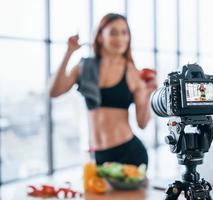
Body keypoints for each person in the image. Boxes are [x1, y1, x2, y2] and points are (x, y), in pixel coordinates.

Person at [49, 13, 157, 168]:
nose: (120, 38)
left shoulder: (132, 72)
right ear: (100, 37)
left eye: (124, 33)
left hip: (130, 154)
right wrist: (69, 52)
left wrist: (148, 93)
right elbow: (54, 91)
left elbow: (142, 123)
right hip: (99, 157)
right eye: (113, 32)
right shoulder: (85, 67)